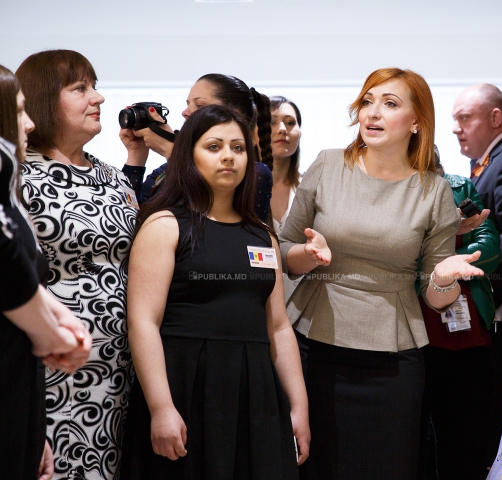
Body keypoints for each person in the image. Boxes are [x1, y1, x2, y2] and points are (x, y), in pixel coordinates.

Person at [279, 68, 485, 479]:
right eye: (367, 101)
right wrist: (309, 253)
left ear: (416, 122)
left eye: (389, 104)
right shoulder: (327, 165)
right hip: (314, 347)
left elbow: (435, 295)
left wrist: (444, 278)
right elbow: (284, 252)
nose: (372, 113)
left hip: (392, 363)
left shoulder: (434, 190)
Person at [120, 105, 308, 479]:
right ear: (189, 155)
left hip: (256, 391)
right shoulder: (165, 224)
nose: (228, 156)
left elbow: (279, 328)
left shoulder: (263, 236)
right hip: (185, 387)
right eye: (214, 146)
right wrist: (161, 407)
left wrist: (299, 407)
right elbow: (143, 322)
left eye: (238, 148)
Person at [16, 49, 142, 480]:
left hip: (117, 371)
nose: (99, 98)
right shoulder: (17, 176)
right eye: (81, 88)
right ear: (45, 99)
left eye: (95, 86)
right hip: (47, 367)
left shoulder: (113, 176)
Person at [0, 64, 92, 480]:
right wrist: (50, 333)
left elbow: (22, 268)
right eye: (19, 112)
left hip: (24, 374)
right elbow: (5, 262)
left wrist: (60, 323)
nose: (29, 123)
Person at [451, 83, 502, 464]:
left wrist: (468, 275)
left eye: (464, 117)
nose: (455, 127)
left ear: (495, 118)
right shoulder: (490, 160)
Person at [417, 152, 501, 479]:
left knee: (466, 449)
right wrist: (441, 263)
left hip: (470, 338)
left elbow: (491, 248)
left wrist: (443, 262)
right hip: (417, 340)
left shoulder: (460, 186)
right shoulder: (392, 199)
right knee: (418, 448)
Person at [123, 74, 274, 220]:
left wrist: (172, 152)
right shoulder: (164, 170)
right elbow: (127, 219)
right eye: (187, 104)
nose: (185, 112)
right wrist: (137, 154)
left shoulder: (253, 173)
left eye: (200, 105)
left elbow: (204, 225)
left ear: (234, 114)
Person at [269, 96, 303, 300]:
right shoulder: (240, 189)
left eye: (290, 122)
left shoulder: (311, 188)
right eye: (272, 122)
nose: (282, 128)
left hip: (302, 307)